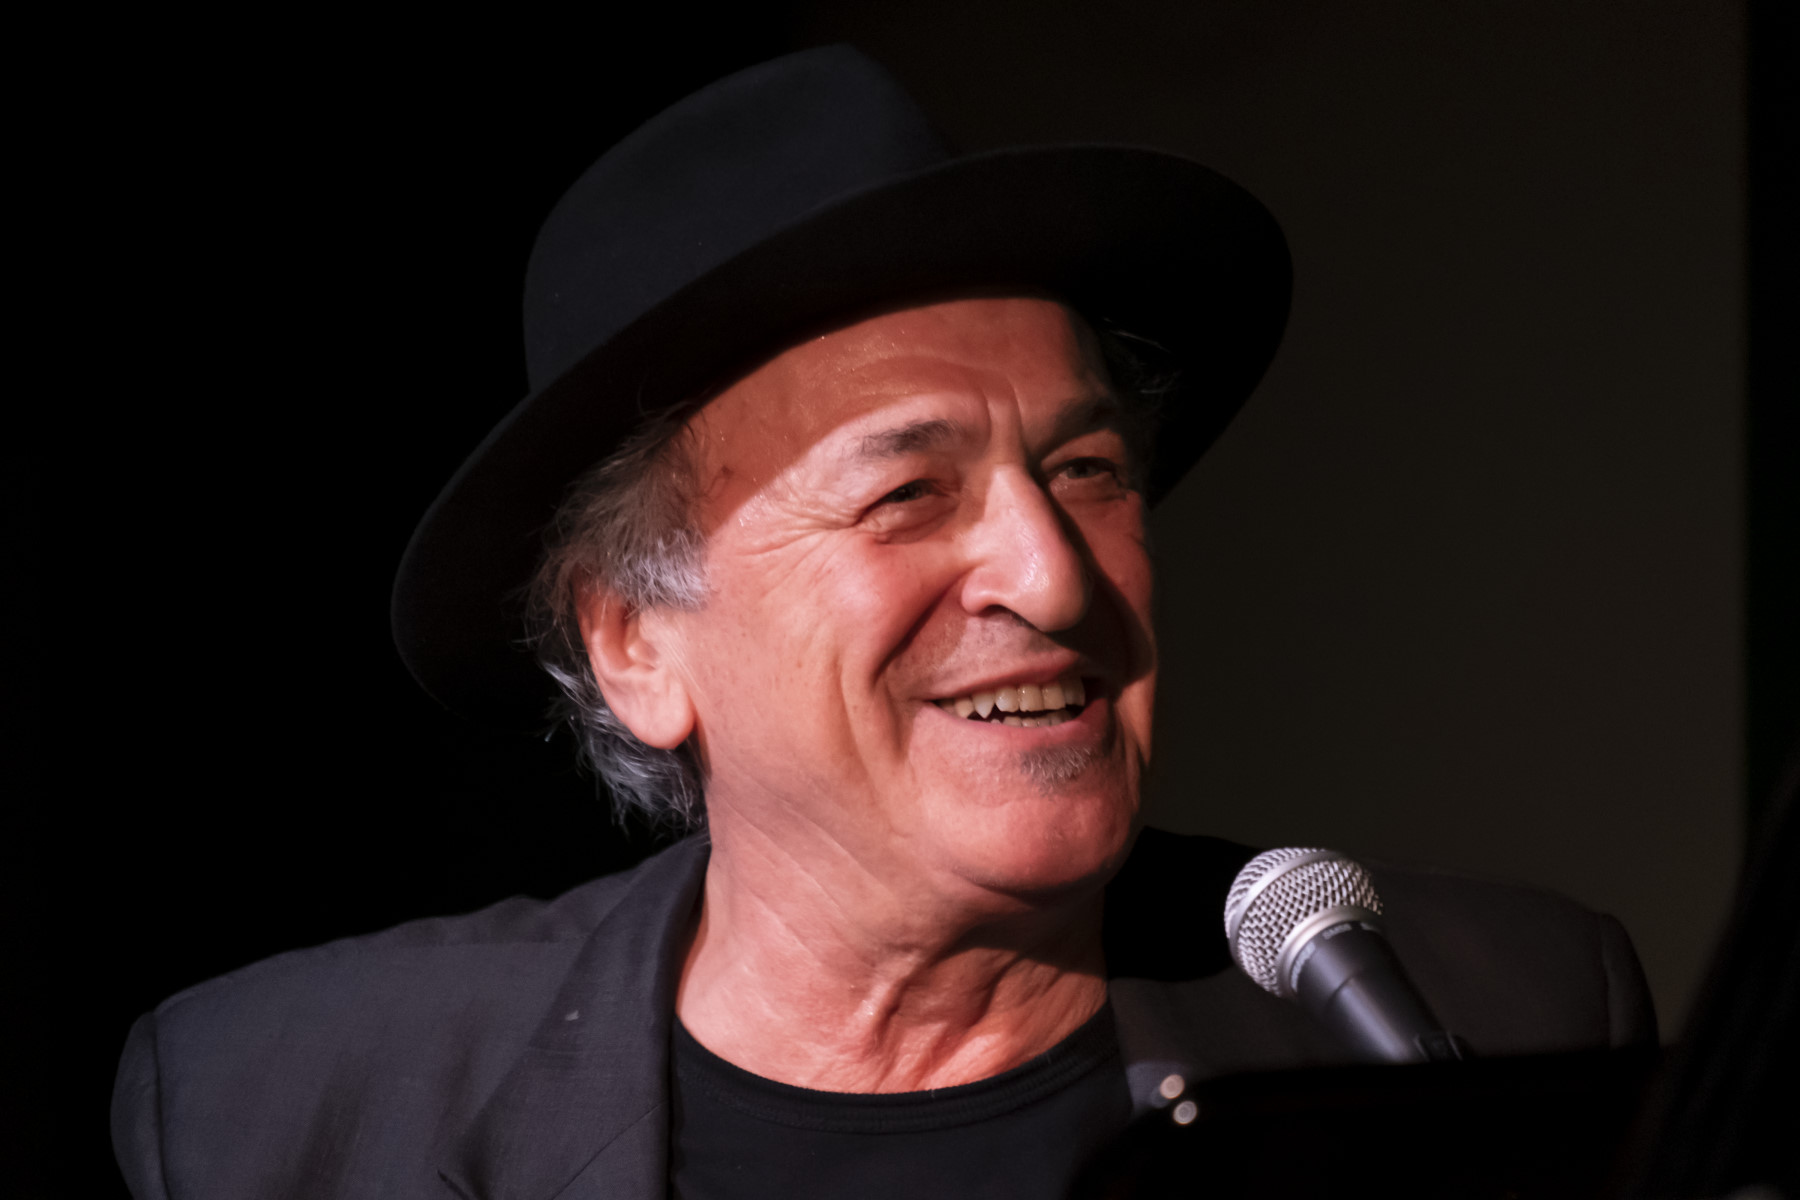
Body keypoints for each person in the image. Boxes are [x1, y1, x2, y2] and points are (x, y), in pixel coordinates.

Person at [110, 47, 1655, 1200]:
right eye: (907, 493)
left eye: (1087, 470)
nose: (1053, 577)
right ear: (636, 643)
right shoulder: (284, 1111)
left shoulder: (1501, 1013)